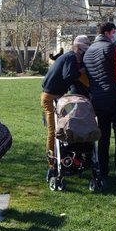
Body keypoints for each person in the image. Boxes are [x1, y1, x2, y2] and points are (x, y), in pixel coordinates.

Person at [83, 22, 116, 182]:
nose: (114, 36)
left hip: (98, 100)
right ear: (109, 32)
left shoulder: (88, 52)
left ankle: (103, 169)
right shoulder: (110, 48)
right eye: (114, 32)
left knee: (103, 137)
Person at [41, 35, 91, 180]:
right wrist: (81, 71)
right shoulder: (70, 58)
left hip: (55, 96)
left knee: (64, 127)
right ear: (79, 49)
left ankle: (63, 156)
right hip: (50, 97)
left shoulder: (68, 56)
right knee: (53, 132)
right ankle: (51, 163)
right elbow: (68, 76)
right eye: (83, 51)